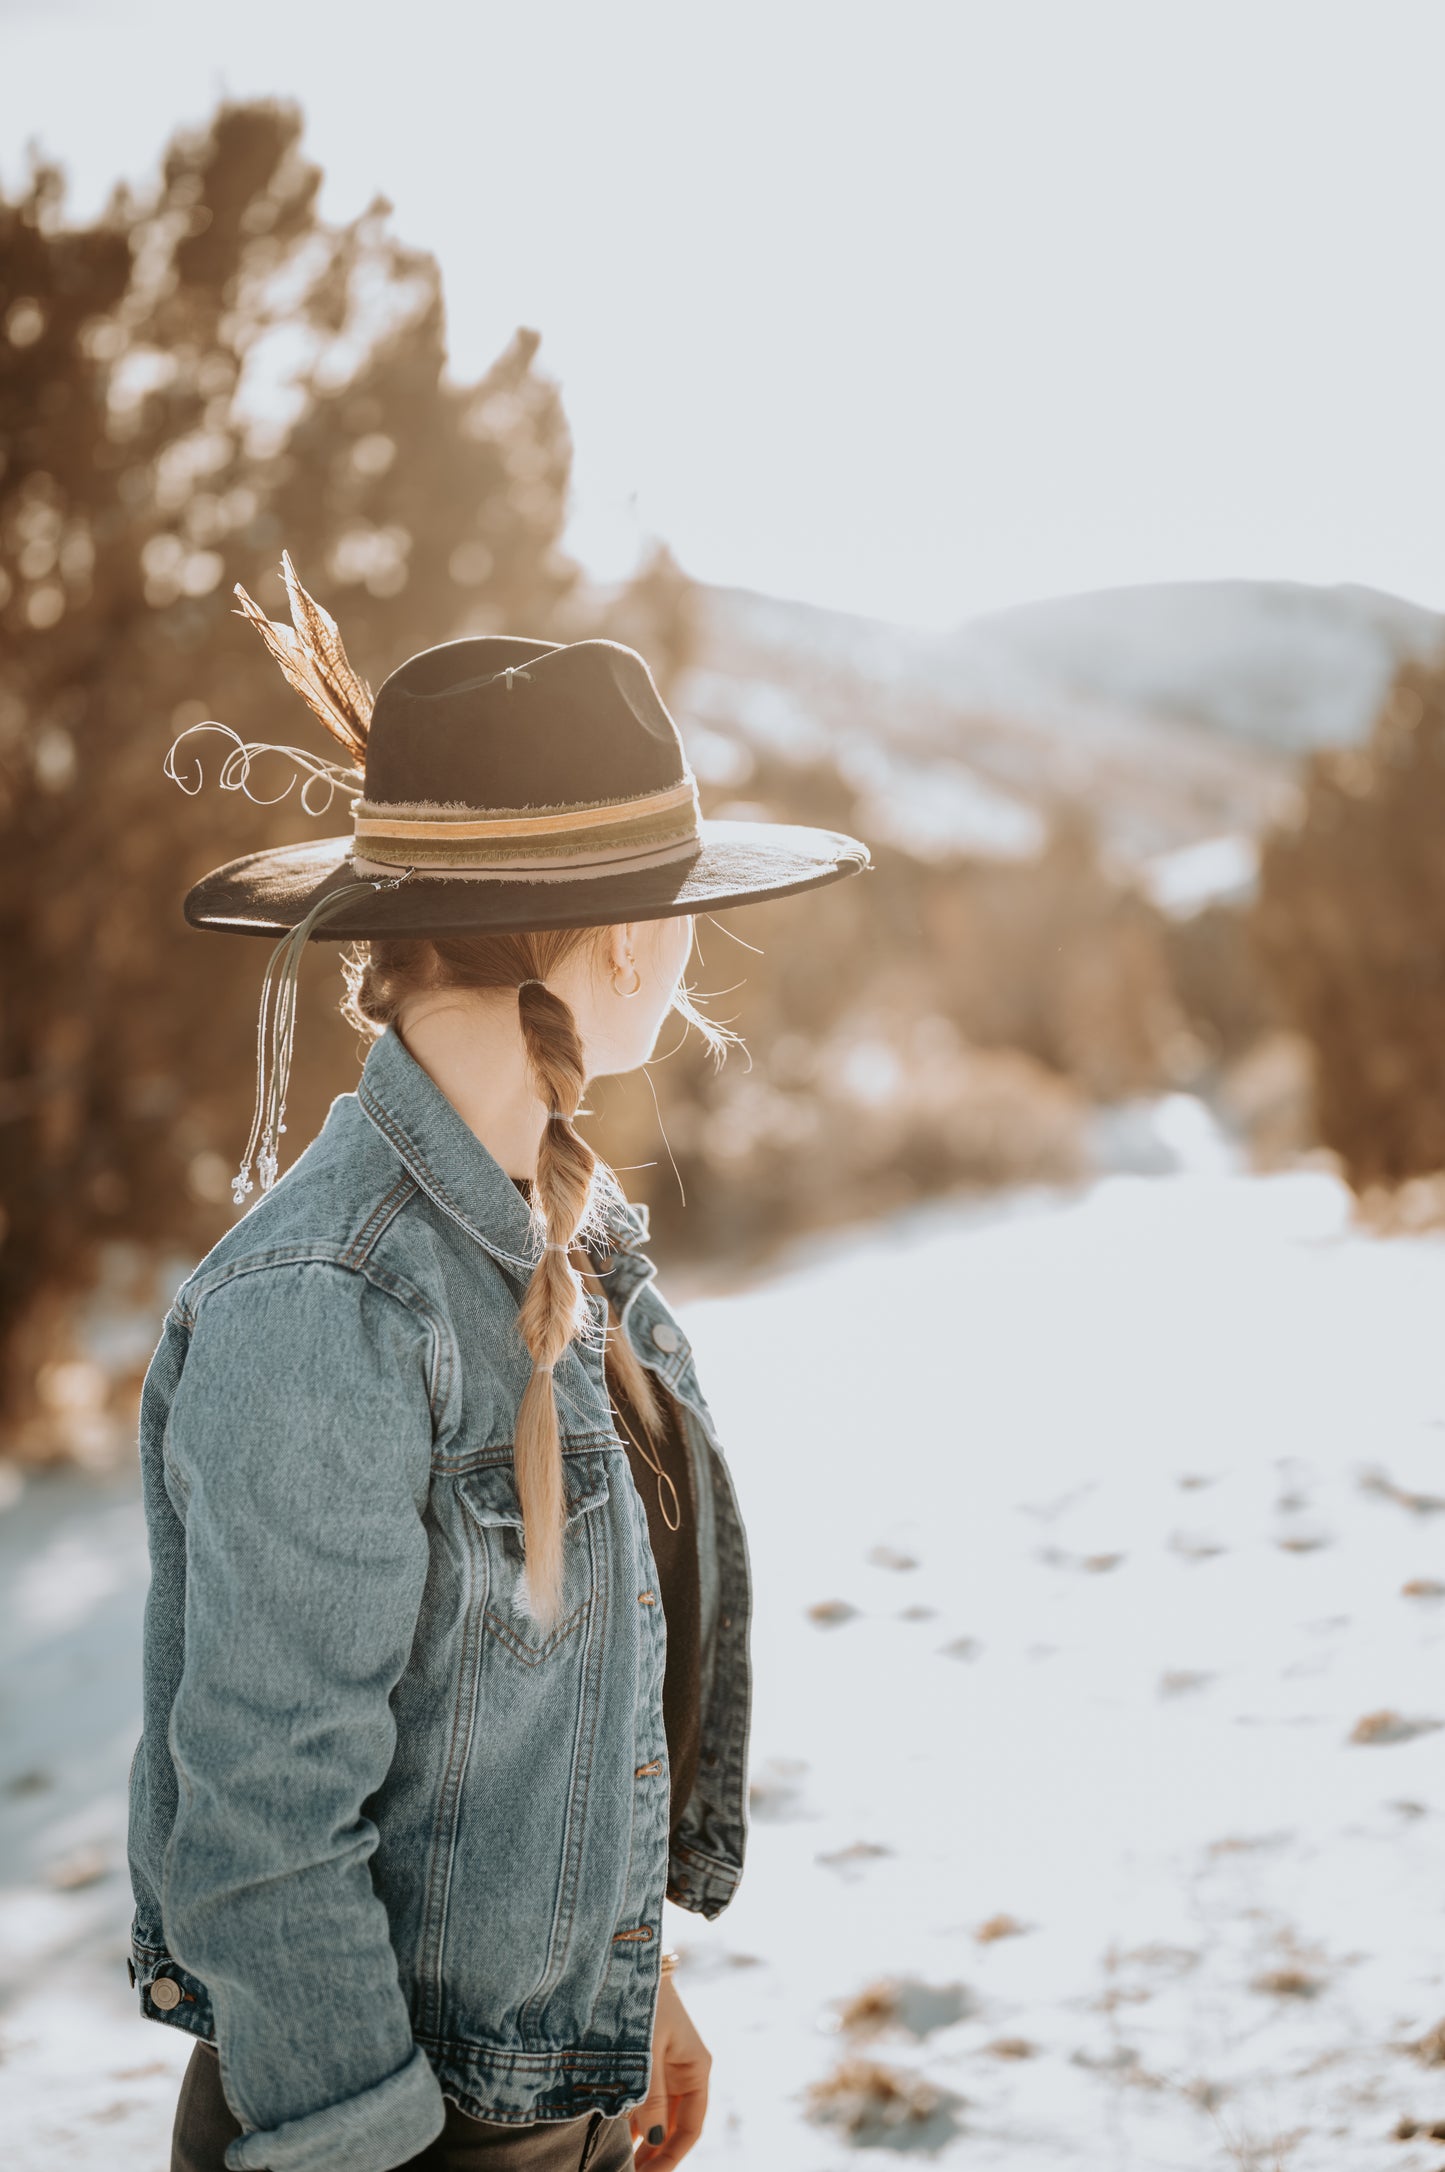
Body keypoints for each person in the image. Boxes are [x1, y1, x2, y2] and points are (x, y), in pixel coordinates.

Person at [125, 560, 871, 2172]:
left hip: (558, 2103)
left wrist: (629, 1993)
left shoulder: (568, 1243)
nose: (687, 951)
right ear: (609, 941)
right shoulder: (324, 1305)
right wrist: (372, 2146)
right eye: (675, 908)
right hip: (389, 2133)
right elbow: (257, 1833)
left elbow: (555, 1714)